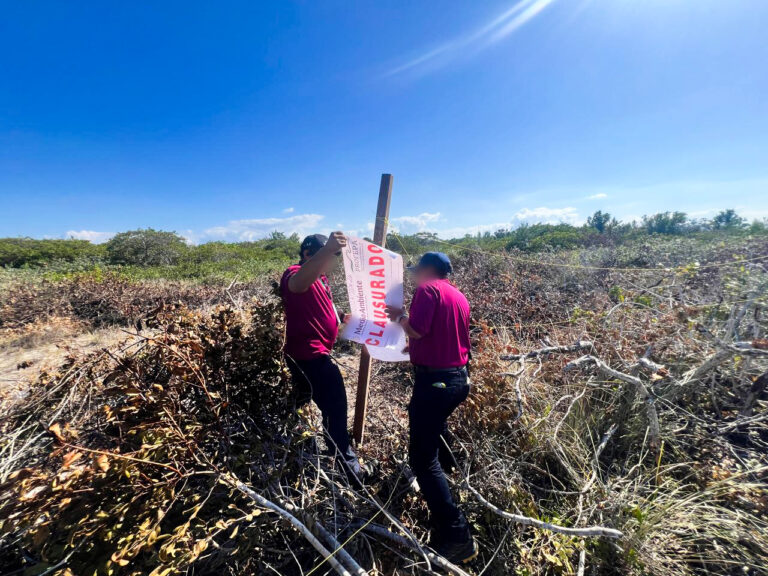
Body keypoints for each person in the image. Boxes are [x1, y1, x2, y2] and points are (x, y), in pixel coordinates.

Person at [386, 252, 477, 564]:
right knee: (436, 431)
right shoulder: (458, 296)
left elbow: (418, 329)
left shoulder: (429, 290)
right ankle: (452, 483)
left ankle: (457, 536)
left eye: (416, 271)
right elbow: (440, 336)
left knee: (422, 460)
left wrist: (397, 316)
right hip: (458, 380)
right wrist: (417, 347)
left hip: (436, 383)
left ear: (428, 270)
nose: (414, 277)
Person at [281, 231, 364, 483]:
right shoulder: (294, 271)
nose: (334, 259)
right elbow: (296, 285)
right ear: (309, 254)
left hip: (315, 353)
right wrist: (327, 249)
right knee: (336, 409)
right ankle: (349, 468)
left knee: (300, 400)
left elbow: (317, 310)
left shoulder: (321, 278)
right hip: (309, 356)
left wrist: (340, 319)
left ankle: (288, 440)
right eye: (331, 254)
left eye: (335, 255)